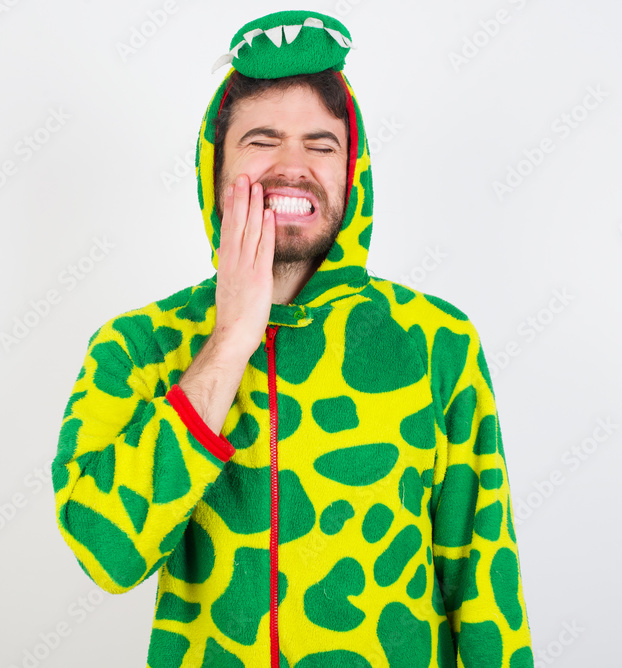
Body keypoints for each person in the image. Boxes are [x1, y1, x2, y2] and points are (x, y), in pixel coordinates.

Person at [51, 9, 534, 667]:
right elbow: (106, 553)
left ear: (352, 171)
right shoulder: (139, 345)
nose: (294, 165)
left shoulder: (437, 342)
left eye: (321, 143)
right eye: (261, 140)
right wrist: (228, 343)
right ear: (214, 170)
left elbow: (485, 591)